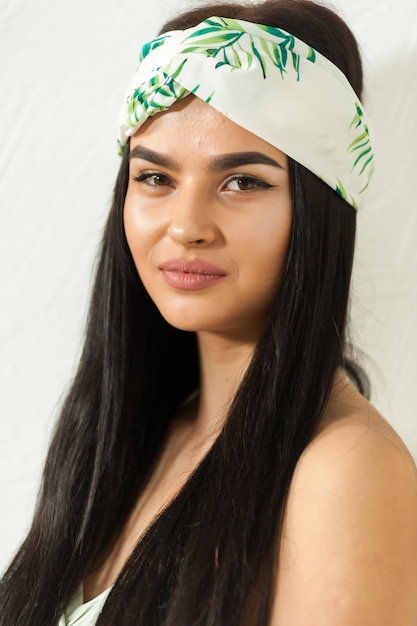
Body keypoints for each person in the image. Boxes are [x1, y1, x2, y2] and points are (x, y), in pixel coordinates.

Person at [1, 0, 417, 624]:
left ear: (321, 207)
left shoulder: (343, 475)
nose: (187, 226)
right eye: (156, 179)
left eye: (243, 182)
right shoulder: (131, 431)